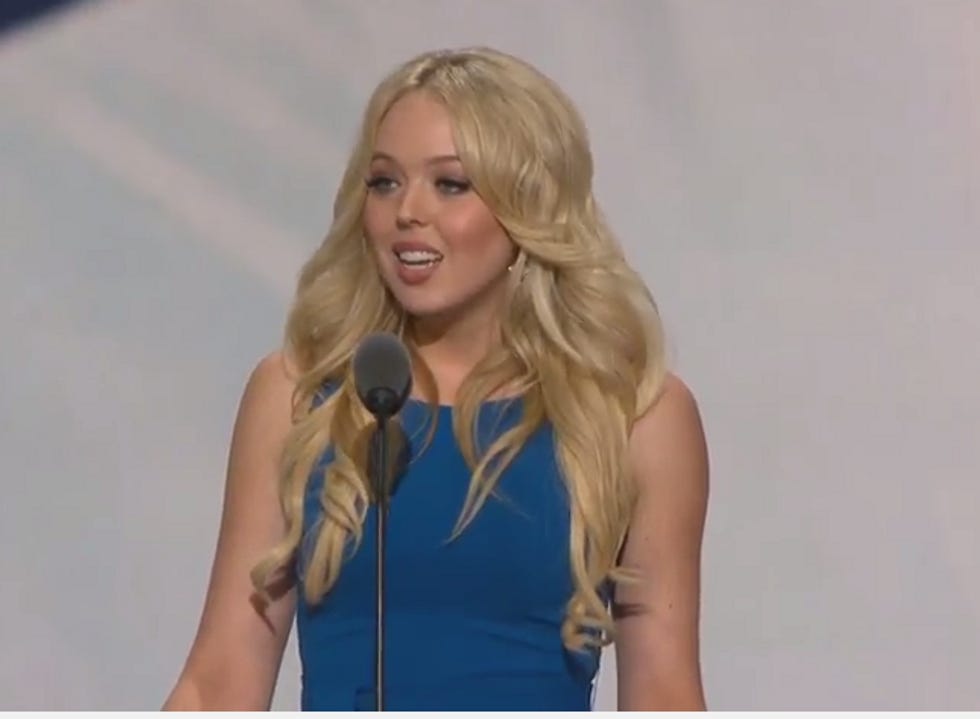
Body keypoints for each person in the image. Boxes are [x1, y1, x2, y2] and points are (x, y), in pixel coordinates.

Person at [163, 46, 709, 711]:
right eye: (384, 182)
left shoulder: (636, 416)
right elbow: (219, 682)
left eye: (449, 184)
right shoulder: (299, 399)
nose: (407, 212)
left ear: (528, 206)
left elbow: (664, 692)